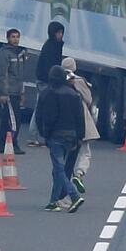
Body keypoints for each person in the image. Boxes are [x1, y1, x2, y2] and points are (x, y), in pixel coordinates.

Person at [36, 65, 85, 212]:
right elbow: (80, 117)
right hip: (71, 135)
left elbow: (42, 116)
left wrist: (45, 133)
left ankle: (74, 195)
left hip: (55, 135)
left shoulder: (47, 94)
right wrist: (80, 136)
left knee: (58, 168)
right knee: (59, 168)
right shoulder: (73, 94)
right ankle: (53, 201)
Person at [61, 57, 99, 196]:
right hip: (82, 119)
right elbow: (88, 99)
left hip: (64, 123)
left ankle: (63, 180)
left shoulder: (58, 80)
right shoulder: (79, 81)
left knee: (65, 155)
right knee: (85, 151)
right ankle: (79, 174)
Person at [27, 21, 65, 147]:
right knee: (41, 108)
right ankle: (33, 136)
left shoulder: (55, 45)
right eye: (58, 33)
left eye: (61, 33)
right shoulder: (51, 47)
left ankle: (38, 136)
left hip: (46, 81)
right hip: (45, 81)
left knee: (42, 108)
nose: (60, 35)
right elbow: (49, 66)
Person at [0, 28, 27, 154]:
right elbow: (2, 74)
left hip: (17, 91)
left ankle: (1, 144)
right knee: (14, 120)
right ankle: (13, 143)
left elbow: (21, 75)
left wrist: (22, 92)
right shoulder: (5, 54)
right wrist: (3, 93)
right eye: (13, 37)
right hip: (9, 93)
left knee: (6, 120)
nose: (15, 39)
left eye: (17, 37)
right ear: (8, 38)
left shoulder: (19, 54)